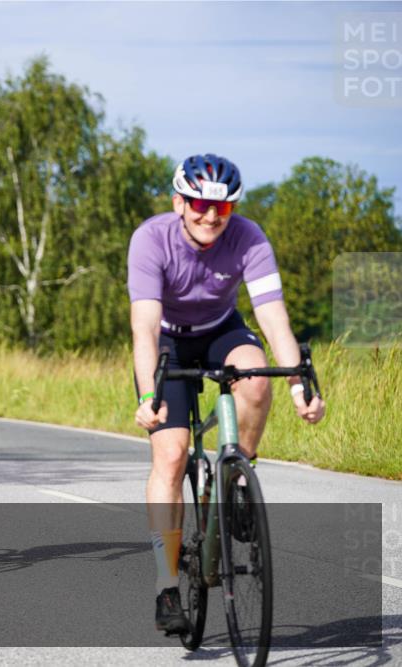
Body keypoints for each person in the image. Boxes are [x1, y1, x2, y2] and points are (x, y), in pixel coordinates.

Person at [128, 153, 326, 634]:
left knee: (256, 376)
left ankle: (237, 479)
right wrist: (149, 395)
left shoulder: (250, 238)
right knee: (171, 456)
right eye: (198, 203)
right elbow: (146, 328)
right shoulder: (151, 239)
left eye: (223, 207)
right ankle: (166, 584)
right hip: (170, 340)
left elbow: (273, 316)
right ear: (179, 201)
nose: (210, 216)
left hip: (221, 331)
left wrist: (299, 385)